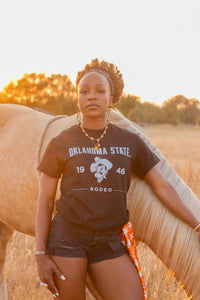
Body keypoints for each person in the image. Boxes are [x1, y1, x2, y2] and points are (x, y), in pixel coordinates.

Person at [35, 58, 200, 300]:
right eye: (85, 91)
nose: (92, 96)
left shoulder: (130, 141)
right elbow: (45, 202)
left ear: (111, 99)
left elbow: (163, 188)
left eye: (100, 91)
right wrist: (40, 254)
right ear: (77, 99)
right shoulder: (61, 142)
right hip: (67, 238)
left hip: (109, 242)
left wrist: (196, 224)